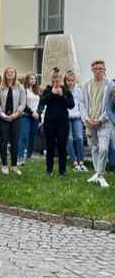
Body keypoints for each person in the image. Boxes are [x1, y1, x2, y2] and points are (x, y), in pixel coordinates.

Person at [81, 60, 114, 188]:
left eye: (100, 69)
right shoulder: (86, 85)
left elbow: (110, 107)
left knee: (104, 148)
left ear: (104, 70)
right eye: (95, 69)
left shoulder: (110, 85)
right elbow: (82, 104)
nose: (98, 71)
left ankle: (101, 175)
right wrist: (87, 119)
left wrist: (100, 119)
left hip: (104, 122)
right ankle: (97, 173)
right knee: (94, 148)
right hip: (90, 122)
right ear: (92, 70)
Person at [38, 68, 74, 176]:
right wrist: (52, 94)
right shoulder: (47, 90)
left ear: (61, 81)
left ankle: (62, 170)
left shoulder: (66, 90)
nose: (55, 83)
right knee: (50, 147)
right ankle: (49, 170)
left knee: (62, 147)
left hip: (63, 123)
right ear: (51, 80)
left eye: (57, 81)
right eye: (53, 81)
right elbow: (42, 102)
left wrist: (62, 95)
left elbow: (71, 105)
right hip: (49, 123)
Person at [0, 67, 25, 175]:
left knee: (15, 142)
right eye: (8, 72)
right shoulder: (0, 88)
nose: (10, 74)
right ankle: (4, 165)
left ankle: (14, 165)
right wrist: (2, 115)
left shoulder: (20, 87)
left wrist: (16, 114)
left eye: (12, 72)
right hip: (3, 118)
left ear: (15, 74)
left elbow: (22, 103)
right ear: (5, 74)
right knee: (3, 142)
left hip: (16, 117)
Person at [65, 71, 86, 171]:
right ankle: (74, 162)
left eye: (72, 80)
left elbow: (81, 104)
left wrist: (83, 117)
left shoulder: (79, 90)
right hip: (66, 118)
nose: (70, 82)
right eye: (68, 80)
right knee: (68, 139)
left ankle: (81, 161)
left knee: (79, 137)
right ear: (65, 81)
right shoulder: (63, 90)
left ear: (75, 81)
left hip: (77, 117)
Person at [18, 74, 40, 164]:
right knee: (24, 136)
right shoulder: (24, 90)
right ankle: (20, 157)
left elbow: (40, 104)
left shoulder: (37, 91)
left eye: (34, 79)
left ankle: (29, 156)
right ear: (27, 80)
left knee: (32, 137)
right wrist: (32, 112)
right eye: (31, 78)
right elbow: (23, 104)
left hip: (35, 117)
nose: (33, 80)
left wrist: (38, 112)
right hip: (25, 115)